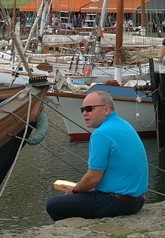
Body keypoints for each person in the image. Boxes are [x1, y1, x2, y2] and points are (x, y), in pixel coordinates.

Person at [45, 91, 148, 221]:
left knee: (53, 204)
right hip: (137, 202)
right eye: (82, 109)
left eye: (89, 109)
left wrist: (75, 191)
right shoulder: (124, 124)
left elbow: (93, 178)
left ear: (106, 109)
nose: (84, 113)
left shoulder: (101, 134)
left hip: (119, 203)